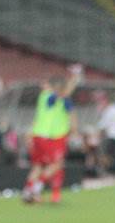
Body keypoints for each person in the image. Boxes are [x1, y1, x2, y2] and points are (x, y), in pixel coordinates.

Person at [22, 69, 80, 205]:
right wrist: (75, 79)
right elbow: (63, 93)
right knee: (57, 165)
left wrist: (74, 130)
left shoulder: (63, 100)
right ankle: (36, 189)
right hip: (51, 137)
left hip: (41, 135)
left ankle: (28, 190)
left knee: (38, 166)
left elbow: (71, 114)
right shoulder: (47, 96)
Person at [95, 90, 115, 175]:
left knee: (103, 154)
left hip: (110, 136)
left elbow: (103, 126)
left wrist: (98, 137)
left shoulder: (108, 110)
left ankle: (104, 170)